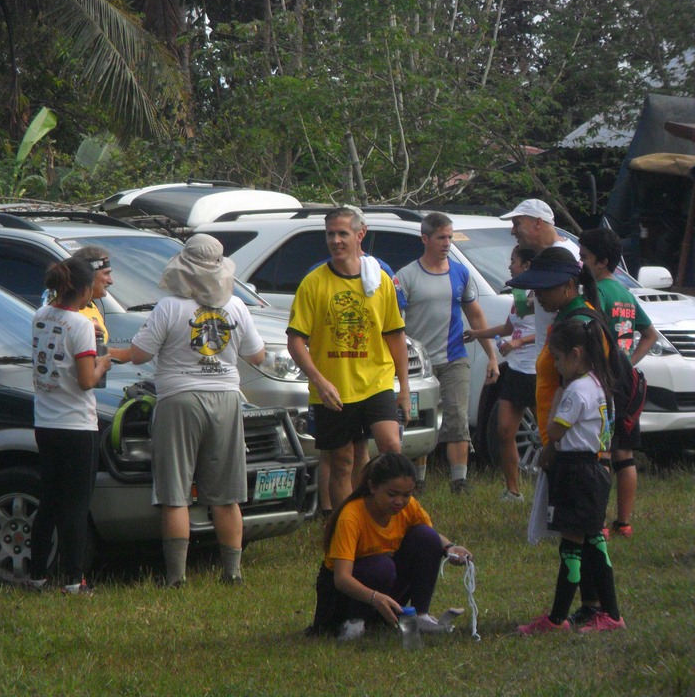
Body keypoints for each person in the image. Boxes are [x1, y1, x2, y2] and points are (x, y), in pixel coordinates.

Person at [126, 235, 265, 586]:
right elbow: (257, 355)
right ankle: (232, 573)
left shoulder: (169, 307)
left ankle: (176, 577)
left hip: (179, 398)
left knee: (175, 492)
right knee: (226, 495)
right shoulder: (236, 306)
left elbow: (139, 355)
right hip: (227, 398)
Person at [286, 206, 409, 511]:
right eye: (330, 234)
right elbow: (295, 341)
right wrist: (319, 381)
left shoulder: (379, 280)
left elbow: (395, 336)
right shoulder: (313, 282)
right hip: (334, 388)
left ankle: (389, 517)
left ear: (359, 234)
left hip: (376, 381)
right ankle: (345, 525)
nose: (336, 240)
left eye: (342, 233)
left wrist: (404, 389)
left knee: (391, 447)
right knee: (342, 462)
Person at [516, 318, 625, 635]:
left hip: (577, 471)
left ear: (575, 354)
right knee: (593, 540)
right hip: (596, 467)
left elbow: (554, 431)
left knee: (571, 546)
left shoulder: (576, 390)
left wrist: (559, 397)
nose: (556, 366)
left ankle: (556, 619)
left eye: (558, 358)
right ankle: (609, 613)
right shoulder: (599, 384)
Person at [307, 452, 472, 640]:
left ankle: (420, 615)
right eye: (392, 494)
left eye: (406, 494)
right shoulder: (351, 516)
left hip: (380, 592)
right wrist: (374, 597)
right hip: (343, 598)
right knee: (381, 567)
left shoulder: (408, 507)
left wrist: (449, 548)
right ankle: (352, 623)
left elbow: (431, 538)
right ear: (372, 487)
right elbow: (341, 579)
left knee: (426, 537)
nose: (399, 501)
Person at [393, 213, 499, 494]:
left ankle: (459, 481)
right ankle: (417, 479)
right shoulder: (406, 276)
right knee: (418, 419)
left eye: (450, 237)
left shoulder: (460, 273)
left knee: (457, 418)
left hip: (454, 357)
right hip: (419, 365)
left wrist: (491, 356)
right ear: (425, 239)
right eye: (441, 237)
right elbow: (394, 323)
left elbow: (475, 315)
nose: (447, 243)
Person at [29, 256, 113, 594]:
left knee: (49, 500)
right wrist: (103, 362)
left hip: (45, 420)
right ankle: (73, 579)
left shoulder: (40, 315)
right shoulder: (81, 325)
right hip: (77, 425)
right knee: (76, 504)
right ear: (84, 289)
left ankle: (37, 574)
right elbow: (87, 380)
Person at [579, 227, 660, 538]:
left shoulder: (597, 292)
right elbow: (650, 335)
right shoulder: (625, 293)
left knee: (600, 452)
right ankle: (623, 522)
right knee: (624, 454)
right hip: (626, 379)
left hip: (603, 378)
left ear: (602, 261)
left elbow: (590, 330)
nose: (581, 263)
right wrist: (628, 361)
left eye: (584, 257)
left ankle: (598, 522)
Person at [506, 246, 602, 450]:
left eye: (543, 288)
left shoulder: (578, 325)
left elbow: (580, 393)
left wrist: (552, 446)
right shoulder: (563, 318)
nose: (537, 295)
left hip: (571, 447)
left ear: (568, 285)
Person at [464, 245, 538, 502]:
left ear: (527, 265)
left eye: (513, 261)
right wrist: (477, 333)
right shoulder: (519, 295)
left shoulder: (544, 294)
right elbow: (509, 328)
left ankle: (551, 489)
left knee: (548, 436)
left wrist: (519, 342)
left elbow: (550, 331)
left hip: (537, 371)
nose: (509, 266)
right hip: (516, 370)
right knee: (505, 431)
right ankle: (513, 490)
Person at [500, 199, 580, 355]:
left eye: (517, 224)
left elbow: (574, 307)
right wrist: (534, 303)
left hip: (562, 357)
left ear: (538, 223)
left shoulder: (563, 256)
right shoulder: (551, 254)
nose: (513, 231)